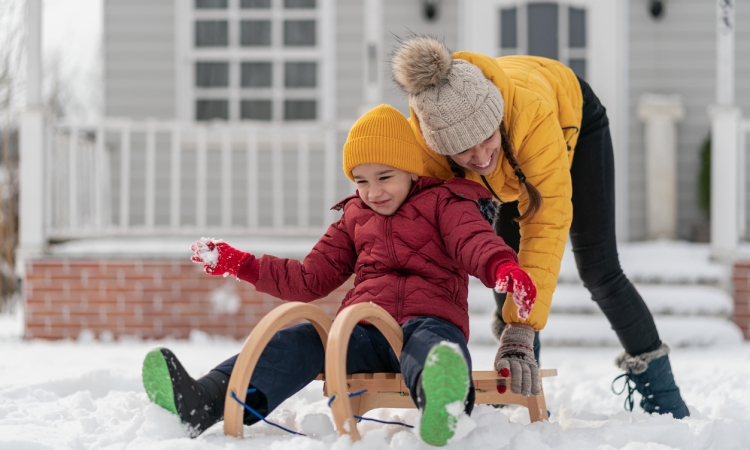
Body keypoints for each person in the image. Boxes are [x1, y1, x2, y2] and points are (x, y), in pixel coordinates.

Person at [140, 105, 538, 445]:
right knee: (299, 339)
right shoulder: (353, 217)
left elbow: (474, 241)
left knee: (434, 348)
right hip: (362, 330)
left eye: (385, 177)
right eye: (361, 181)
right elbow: (308, 279)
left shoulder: (445, 203)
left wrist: (503, 268)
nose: (373, 192)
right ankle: (206, 399)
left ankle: (444, 404)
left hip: (428, 319)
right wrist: (242, 264)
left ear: (413, 171)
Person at [389, 35, 689, 419]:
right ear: (440, 147)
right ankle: (522, 386)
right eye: (464, 150)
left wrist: (522, 327)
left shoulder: (532, 117)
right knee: (503, 264)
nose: (480, 157)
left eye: (486, 139)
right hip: (511, 153)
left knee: (599, 269)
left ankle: (664, 397)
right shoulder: (428, 153)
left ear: (497, 119)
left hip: (572, 121)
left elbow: (547, 224)